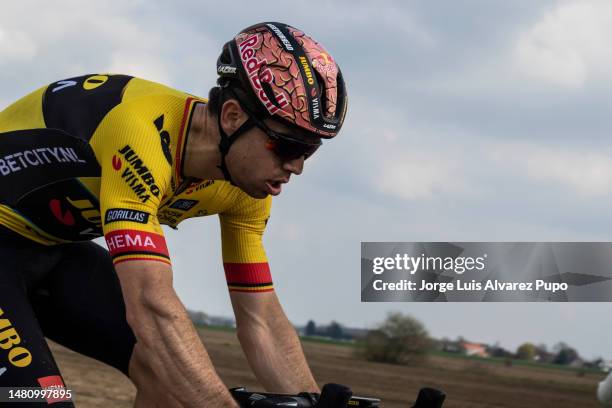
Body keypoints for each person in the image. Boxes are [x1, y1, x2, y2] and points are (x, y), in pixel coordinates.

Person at [0, 21, 347, 407]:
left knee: (172, 383)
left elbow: (260, 318)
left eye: (309, 152)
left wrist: (311, 401)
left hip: (54, 247)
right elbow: (150, 302)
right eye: (285, 147)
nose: (296, 166)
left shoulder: (248, 187)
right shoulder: (141, 133)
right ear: (232, 116)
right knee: (38, 398)